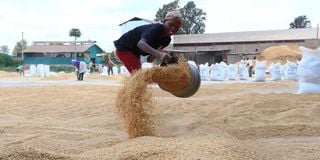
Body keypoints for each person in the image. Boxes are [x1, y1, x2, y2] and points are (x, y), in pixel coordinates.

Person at [113, 10, 183, 74]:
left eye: (177, 27)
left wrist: (163, 56)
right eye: (171, 24)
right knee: (138, 75)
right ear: (164, 22)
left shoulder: (166, 40)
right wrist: (159, 54)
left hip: (135, 53)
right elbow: (141, 44)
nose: (173, 29)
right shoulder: (156, 29)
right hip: (124, 48)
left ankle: (131, 87)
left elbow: (149, 59)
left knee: (138, 75)